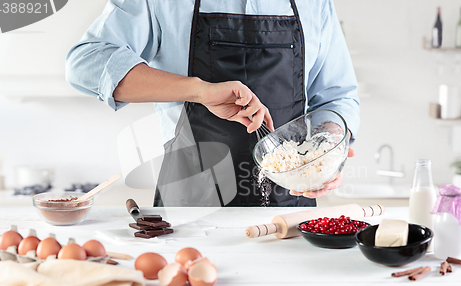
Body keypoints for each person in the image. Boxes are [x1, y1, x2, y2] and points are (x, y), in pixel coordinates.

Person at [66, 0, 360, 207]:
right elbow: (86, 63)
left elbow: (338, 95)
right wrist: (198, 90)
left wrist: (327, 151)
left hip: (289, 211)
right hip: (190, 208)